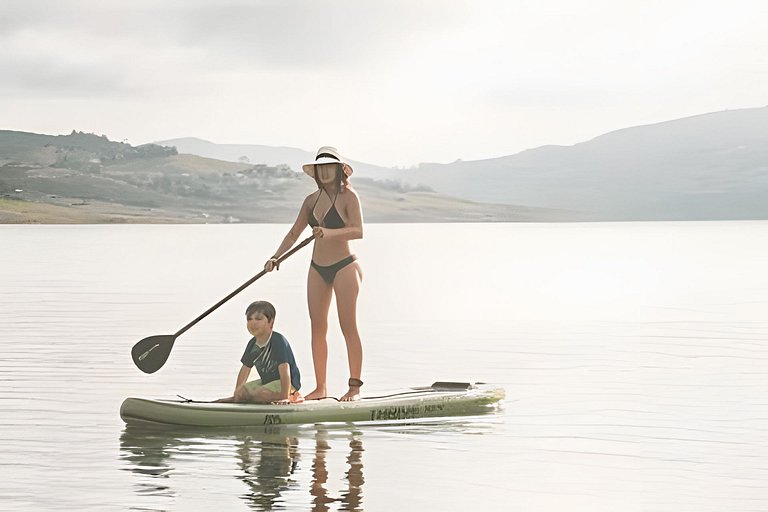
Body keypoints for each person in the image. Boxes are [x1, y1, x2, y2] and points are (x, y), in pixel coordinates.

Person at [264, 146, 364, 401]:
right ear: (316, 172)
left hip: (344, 266)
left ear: (339, 170)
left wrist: (328, 233)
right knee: (317, 327)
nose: (325, 171)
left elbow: (357, 231)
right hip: (317, 268)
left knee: (347, 326)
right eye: (321, 168)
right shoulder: (310, 201)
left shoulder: (349, 197)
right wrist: (276, 257)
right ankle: (321, 388)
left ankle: (354, 387)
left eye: (330, 166)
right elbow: (293, 234)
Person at [216, 300, 302, 404]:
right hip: (268, 383)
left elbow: (285, 370)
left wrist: (284, 397)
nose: (253, 322)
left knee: (260, 394)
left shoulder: (278, 341)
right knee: (241, 392)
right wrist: (236, 396)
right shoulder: (252, 344)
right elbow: (245, 369)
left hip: (288, 384)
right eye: (249, 319)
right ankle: (248, 398)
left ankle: (293, 396)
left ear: (271, 322)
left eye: (258, 319)